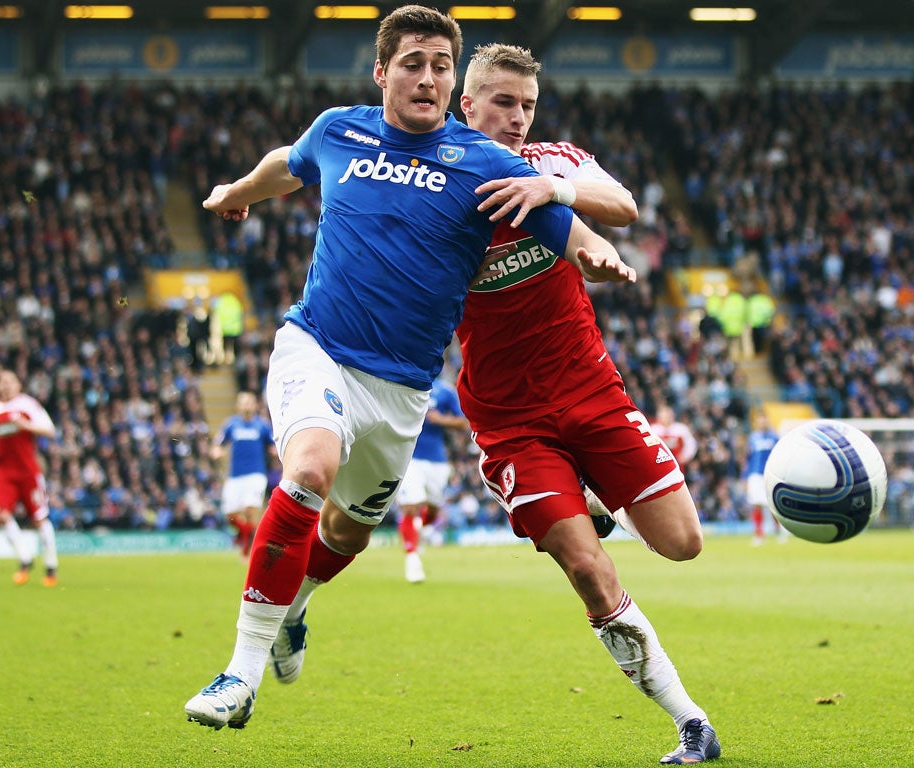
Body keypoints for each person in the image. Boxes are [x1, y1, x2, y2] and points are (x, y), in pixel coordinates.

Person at [264, 43, 721, 765]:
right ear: (464, 104)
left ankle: (597, 503)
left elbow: (624, 206)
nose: (515, 118)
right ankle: (691, 722)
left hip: (592, 394)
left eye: (527, 105)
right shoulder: (439, 182)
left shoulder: (553, 159)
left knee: (682, 543)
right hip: (509, 422)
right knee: (586, 569)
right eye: (501, 103)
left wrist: (555, 195)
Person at [184, 4, 635, 731]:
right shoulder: (340, 130)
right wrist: (238, 192)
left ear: (452, 79)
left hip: (400, 388)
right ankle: (239, 675)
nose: (427, 77)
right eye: (413, 63)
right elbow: (288, 165)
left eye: (440, 65)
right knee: (308, 470)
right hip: (318, 346)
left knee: (348, 532)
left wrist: (590, 252)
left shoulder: (486, 163)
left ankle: (294, 606)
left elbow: (572, 222)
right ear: (381, 72)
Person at [0, 369, 60, 587]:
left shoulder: (28, 404)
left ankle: (51, 567)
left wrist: (27, 426)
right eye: (2, 382)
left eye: (10, 381)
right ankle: (25, 558)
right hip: (3, 471)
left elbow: (50, 430)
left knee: (39, 519)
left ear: (18, 384)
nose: (6, 385)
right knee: (2, 515)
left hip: (27, 470)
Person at [395, 372, 468, 583]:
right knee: (411, 505)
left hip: (437, 460)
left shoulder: (445, 390)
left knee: (433, 510)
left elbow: (464, 423)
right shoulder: (404, 380)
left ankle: (423, 533)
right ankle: (412, 559)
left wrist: (440, 419)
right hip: (409, 456)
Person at [210, 391, 275, 558]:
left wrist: (278, 453)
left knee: (249, 510)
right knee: (230, 514)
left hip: (256, 474)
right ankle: (250, 536)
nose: (246, 406)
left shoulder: (262, 425)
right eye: (243, 402)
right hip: (235, 476)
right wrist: (217, 451)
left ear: (254, 405)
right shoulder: (231, 425)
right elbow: (218, 444)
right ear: (237, 406)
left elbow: (272, 446)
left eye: (249, 402)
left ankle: (248, 548)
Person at [745, 410, 784, 545]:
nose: (762, 422)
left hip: (770, 473)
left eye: (764, 419)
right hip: (755, 474)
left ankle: (779, 531)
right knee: (756, 504)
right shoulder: (753, 438)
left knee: (774, 505)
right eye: (760, 419)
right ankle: (759, 534)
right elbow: (748, 458)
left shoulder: (774, 437)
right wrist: (745, 475)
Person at [651, 403, 698, 476]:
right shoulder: (653, 429)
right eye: (664, 416)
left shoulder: (681, 428)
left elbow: (691, 444)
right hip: (659, 464)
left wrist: (686, 456)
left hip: (678, 464)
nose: (666, 418)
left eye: (668, 416)